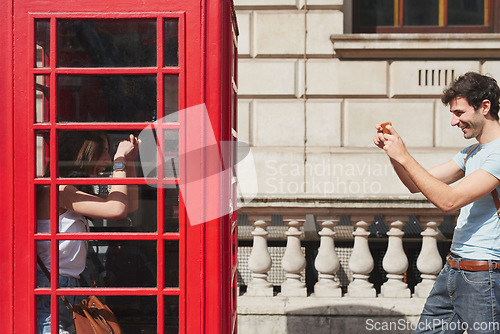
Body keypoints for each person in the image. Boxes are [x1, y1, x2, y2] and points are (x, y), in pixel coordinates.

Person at [374, 72, 500, 334]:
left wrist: (405, 156)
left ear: (485, 107)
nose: (454, 121)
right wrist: (394, 152)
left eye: (459, 112)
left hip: (483, 274)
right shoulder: (471, 153)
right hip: (453, 269)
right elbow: (414, 184)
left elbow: (449, 200)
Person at [36, 131, 140, 334]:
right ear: (85, 154)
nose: (108, 160)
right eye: (105, 152)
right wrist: (119, 161)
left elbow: (130, 205)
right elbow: (116, 209)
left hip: (69, 290)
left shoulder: (72, 190)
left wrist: (128, 162)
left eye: (111, 154)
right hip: (50, 294)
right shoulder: (59, 190)